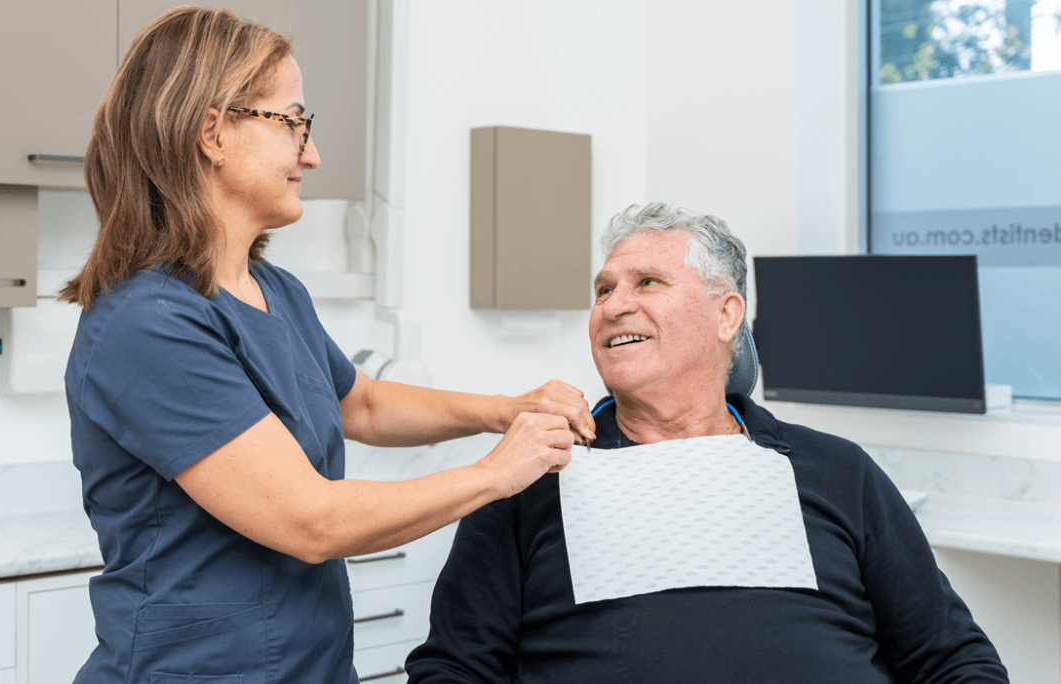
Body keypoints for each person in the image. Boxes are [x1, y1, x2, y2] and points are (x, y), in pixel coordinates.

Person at [59, 8, 595, 684]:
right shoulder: (148, 323)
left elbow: (362, 404)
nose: (311, 154)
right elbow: (310, 521)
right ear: (212, 132)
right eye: (293, 123)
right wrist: (495, 473)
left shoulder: (275, 292)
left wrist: (504, 409)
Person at [405, 202, 1009, 684]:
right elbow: (454, 669)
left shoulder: (834, 470)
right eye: (603, 289)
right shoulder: (533, 476)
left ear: (726, 317)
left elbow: (951, 658)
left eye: (647, 282)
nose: (614, 306)